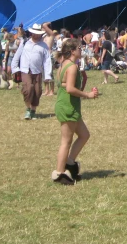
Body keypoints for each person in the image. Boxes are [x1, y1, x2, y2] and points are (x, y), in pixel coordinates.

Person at [52, 38, 99, 185]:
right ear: (72, 51)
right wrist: (87, 95)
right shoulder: (72, 67)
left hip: (68, 105)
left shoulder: (63, 65)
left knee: (84, 135)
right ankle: (60, 173)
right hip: (68, 106)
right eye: (79, 47)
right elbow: (70, 88)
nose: (81, 49)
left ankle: (70, 162)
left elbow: (63, 83)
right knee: (66, 141)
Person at [12, 23, 52, 120]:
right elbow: (17, 56)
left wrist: (47, 75)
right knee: (28, 89)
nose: (36, 35)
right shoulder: (25, 43)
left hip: (37, 71)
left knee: (37, 92)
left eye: (38, 33)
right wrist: (15, 68)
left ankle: (33, 110)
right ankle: (28, 109)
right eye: (34, 33)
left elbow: (47, 60)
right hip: (25, 70)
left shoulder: (43, 46)